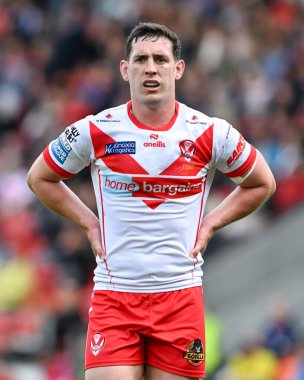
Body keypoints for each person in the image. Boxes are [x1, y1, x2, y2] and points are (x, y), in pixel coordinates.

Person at [27, 22, 276, 380]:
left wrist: (211, 223)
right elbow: (40, 177)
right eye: (141, 59)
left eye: (160, 59)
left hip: (179, 298)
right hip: (115, 296)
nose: (151, 68)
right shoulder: (95, 129)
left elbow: (262, 183)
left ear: (178, 68)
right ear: (125, 69)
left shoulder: (209, 132)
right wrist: (88, 222)